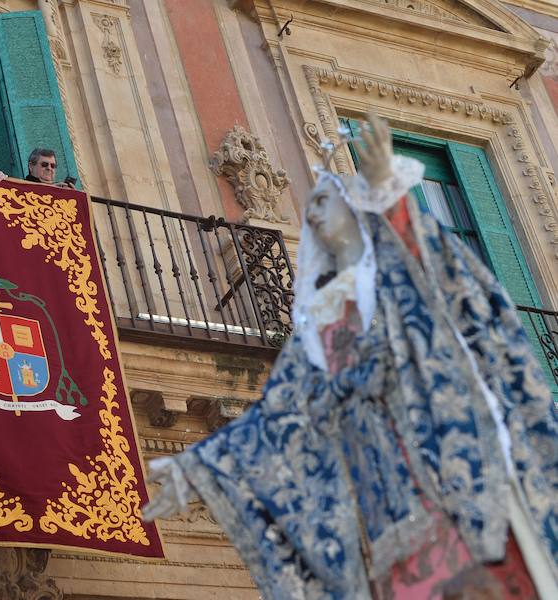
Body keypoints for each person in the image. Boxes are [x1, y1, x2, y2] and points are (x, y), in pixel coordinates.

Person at [142, 115, 557, 599]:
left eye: (324, 204)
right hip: (389, 495)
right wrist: (199, 466)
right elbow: (284, 408)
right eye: (311, 209)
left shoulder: (398, 267)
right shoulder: (322, 315)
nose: (314, 217)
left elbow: (448, 285)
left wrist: (388, 193)